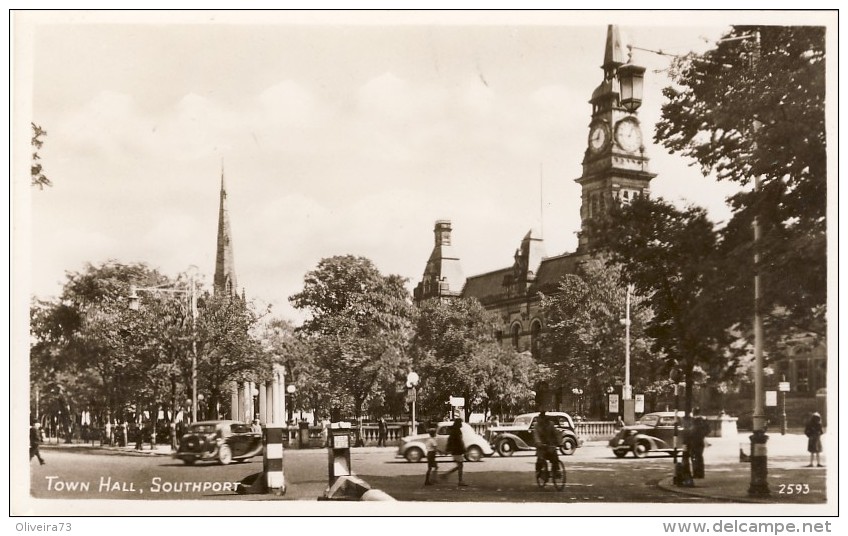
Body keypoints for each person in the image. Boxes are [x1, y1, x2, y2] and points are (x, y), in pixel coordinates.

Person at [533, 412, 561, 480]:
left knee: (555, 457)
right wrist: (539, 442)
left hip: (549, 445)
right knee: (540, 459)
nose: (545, 423)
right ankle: (539, 472)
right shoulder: (537, 426)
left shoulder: (551, 424)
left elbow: (556, 433)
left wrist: (559, 442)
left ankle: (556, 471)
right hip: (541, 446)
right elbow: (536, 435)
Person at [441, 418, 468, 486]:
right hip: (457, 450)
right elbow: (460, 441)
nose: (461, 424)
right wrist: (464, 449)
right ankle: (460, 481)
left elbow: (450, 440)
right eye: (461, 423)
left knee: (459, 465)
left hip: (455, 450)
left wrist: (448, 449)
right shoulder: (457, 431)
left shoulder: (453, 431)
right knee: (460, 465)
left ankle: (447, 474)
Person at [689, 408, 710, 478]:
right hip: (700, 440)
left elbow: (691, 430)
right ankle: (701, 473)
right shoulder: (703, 420)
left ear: (693, 412)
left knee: (694, 456)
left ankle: (696, 473)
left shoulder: (693, 420)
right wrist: (703, 435)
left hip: (694, 440)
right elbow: (708, 430)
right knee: (699, 456)